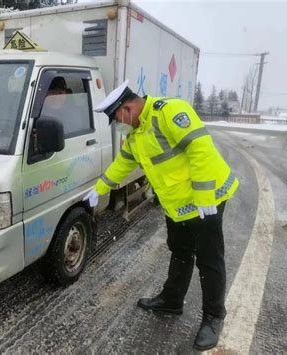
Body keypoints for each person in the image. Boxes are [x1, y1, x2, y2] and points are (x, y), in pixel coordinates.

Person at [83, 80, 239, 351]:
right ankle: (172, 300)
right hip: (178, 206)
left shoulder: (170, 111)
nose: (118, 125)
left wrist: (203, 196)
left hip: (207, 199)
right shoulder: (136, 134)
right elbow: (123, 163)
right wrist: (99, 188)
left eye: (117, 118)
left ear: (128, 108)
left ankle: (214, 317)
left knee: (209, 259)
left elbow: (199, 148)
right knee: (179, 251)